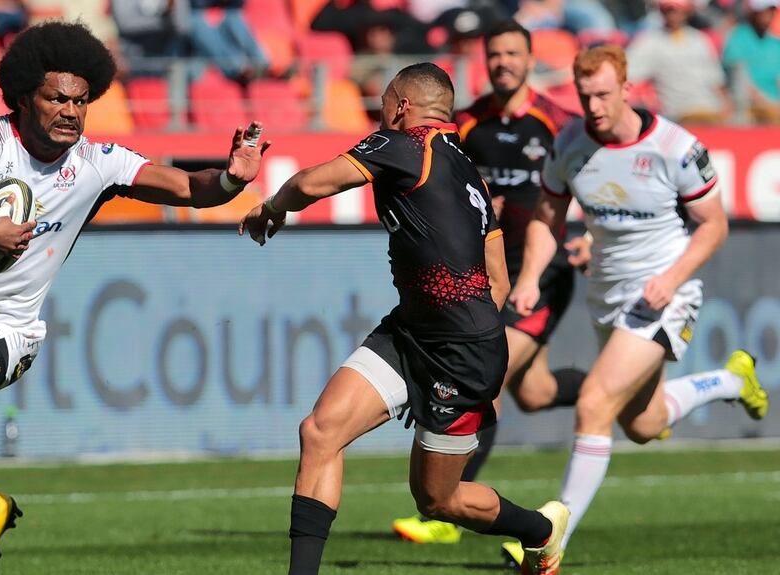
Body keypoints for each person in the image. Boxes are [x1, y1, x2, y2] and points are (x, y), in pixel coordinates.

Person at [0, 21, 269, 575]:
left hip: (10, 326)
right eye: (57, 99)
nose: (71, 111)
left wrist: (232, 180)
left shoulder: (98, 162)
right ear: (25, 98)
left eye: (81, 100)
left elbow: (190, 187)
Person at [241, 62, 569, 575]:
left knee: (437, 500)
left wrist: (273, 207)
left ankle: (540, 532)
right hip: (415, 331)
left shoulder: (405, 144)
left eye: (383, 103)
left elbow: (310, 182)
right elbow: (498, 279)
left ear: (401, 106)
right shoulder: (469, 172)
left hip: (459, 354)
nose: (380, 112)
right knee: (321, 431)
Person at [510, 45, 769, 555]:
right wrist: (530, 277)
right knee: (644, 424)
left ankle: (549, 540)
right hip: (607, 294)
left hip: (665, 294)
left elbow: (713, 226)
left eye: (604, 94)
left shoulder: (676, 147)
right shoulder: (569, 143)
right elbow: (547, 216)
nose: (594, 106)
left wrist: (672, 278)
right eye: (585, 96)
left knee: (594, 403)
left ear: (628, 88)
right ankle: (731, 380)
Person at [390, 18, 584, 547]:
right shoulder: (467, 126)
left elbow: (589, 183)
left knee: (485, 385)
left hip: (540, 275)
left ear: (530, 60)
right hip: (486, 278)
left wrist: (588, 236)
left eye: (512, 54)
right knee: (536, 392)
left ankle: (448, 511)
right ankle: (619, 393)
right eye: (494, 54)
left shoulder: (558, 123)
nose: (502, 62)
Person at [626, 0, 731, 124]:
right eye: (669, 10)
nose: (673, 15)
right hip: (679, 114)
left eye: (677, 10)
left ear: (686, 12)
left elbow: (716, 80)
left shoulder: (700, 39)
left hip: (711, 110)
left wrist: (726, 103)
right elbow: (627, 73)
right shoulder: (650, 42)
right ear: (662, 12)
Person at [721, 0, 780, 124]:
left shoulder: (775, 43)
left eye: (771, 11)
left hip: (774, 105)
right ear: (754, 12)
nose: (768, 15)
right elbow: (739, 79)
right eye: (764, 11)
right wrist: (766, 103)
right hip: (747, 106)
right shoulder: (738, 38)